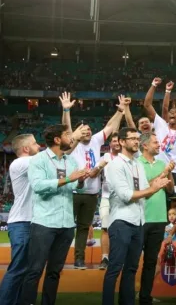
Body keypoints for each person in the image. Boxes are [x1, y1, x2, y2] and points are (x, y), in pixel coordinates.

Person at [20, 125, 90, 305]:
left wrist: (80, 181)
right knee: (35, 269)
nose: (71, 138)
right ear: (57, 139)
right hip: (44, 224)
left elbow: (74, 187)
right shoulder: (39, 160)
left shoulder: (71, 161)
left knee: (55, 271)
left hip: (66, 224)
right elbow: (38, 186)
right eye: (68, 134)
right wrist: (68, 179)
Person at [102, 127, 170, 305]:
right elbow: (126, 195)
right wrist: (153, 188)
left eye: (137, 138)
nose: (135, 141)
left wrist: (159, 182)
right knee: (115, 268)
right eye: (131, 138)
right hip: (121, 221)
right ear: (122, 142)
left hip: (139, 221)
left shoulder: (137, 164)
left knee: (132, 268)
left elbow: (146, 192)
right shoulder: (115, 165)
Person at [61, 92, 124, 270]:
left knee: (83, 228)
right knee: (65, 227)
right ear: (78, 132)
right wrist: (66, 110)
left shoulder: (96, 141)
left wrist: (120, 111)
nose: (88, 132)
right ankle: (57, 258)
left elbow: (111, 127)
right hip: (72, 191)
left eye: (89, 130)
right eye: (84, 130)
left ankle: (79, 259)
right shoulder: (73, 143)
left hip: (91, 193)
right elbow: (66, 129)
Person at [0, 134, 41, 305]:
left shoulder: (29, 164)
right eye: (34, 143)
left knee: (26, 269)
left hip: (27, 222)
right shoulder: (22, 163)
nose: (39, 146)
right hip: (22, 222)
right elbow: (50, 157)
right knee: (18, 269)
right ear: (26, 149)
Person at [137, 131, 175, 305]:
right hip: (140, 218)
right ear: (144, 145)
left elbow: (170, 190)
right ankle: (129, 295)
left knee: (151, 262)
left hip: (159, 219)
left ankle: (145, 297)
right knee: (132, 261)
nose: (158, 145)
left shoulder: (162, 163)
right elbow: (145, 187)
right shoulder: (137, 163)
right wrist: (164, 172)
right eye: (155, 142)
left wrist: (169, 173)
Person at [145, 77, 176, 203]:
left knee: (175, 204)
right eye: (171, 112)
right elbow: (147, 104)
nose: (173, 113)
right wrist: (154, 86)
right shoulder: (161, 125)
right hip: (158, 168)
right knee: (157, 200)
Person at [98, 133, 121, 270]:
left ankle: (118, 257)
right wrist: (100, 167)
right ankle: (105, 258)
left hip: (122, 196)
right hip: (106, 194)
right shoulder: (104, 157)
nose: (116, 143)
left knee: (121, 229)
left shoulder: (127, 158)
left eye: (118, 140)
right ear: (110, 144)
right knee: (105, 227)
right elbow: (95, 173)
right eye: (113, 141)